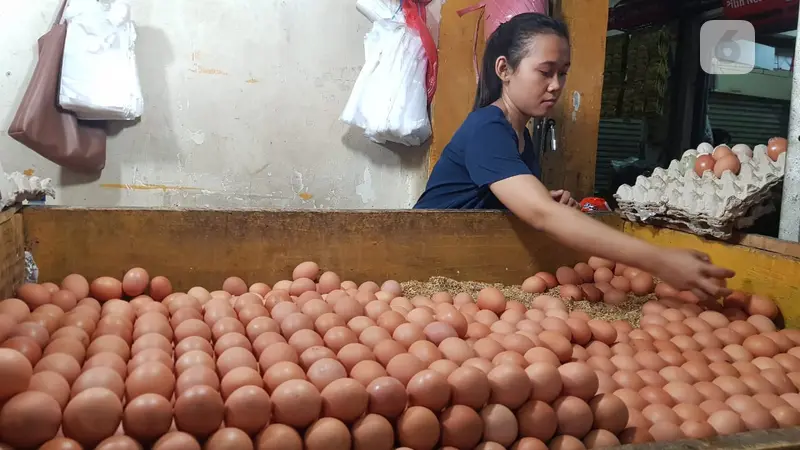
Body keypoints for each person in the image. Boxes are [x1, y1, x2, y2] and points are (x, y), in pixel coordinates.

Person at [413, 13, 734, 300]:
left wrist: (543, 199)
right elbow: (540, 215)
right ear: (504, 70)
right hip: (423, 263)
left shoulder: (519, 134)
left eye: (563, 73)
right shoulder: (487, 128)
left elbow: (512, 203)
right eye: (545, 72)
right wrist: (660, 261)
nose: (556, 85)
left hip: (461, 268)